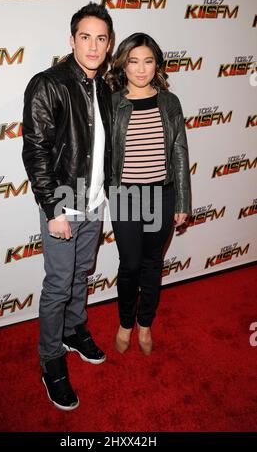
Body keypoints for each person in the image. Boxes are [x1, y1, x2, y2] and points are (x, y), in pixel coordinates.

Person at [22, 3, 113, 410]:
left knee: (81, 273)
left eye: (101, 38)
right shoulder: (48, 83)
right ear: (72, 39)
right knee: (58, 285)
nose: (93, 46)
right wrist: (54, 209)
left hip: (93, 202)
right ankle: (50, 361)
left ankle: (74, 330)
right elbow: (36, 152)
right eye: (85, 36)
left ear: (109, 44)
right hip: (62, 204)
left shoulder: (105, 87)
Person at [106, 33, 191, 356]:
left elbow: (180, 152)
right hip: (125, 196)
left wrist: (182, 200)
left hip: (162, 195)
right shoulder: (112, 102)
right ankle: (125, 322)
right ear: (123, 64)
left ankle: (144, 323)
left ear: (157, 65)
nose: (141, 69)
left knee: (152, 263)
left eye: (148, 61)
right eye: (133, 61)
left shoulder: (170, 102)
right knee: (129, 264)